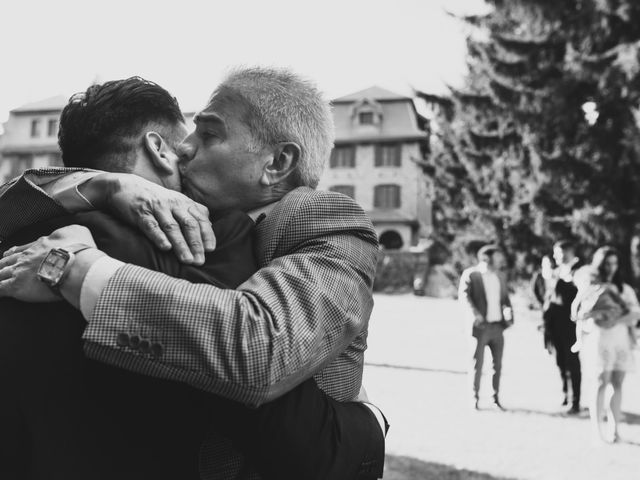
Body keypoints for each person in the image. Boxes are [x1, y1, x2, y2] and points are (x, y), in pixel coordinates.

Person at [0, 67, 387, 479]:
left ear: (277, 163)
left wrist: (76, 268)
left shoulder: (322, 218)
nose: (183, 149)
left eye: (209, 134)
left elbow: (263, 348)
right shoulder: (157, 220)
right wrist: (104, 185)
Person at [572, 246, 640, 443]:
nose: (611, 268)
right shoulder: (593, 288)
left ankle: (614, 428)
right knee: (601, 382)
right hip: (600, 339)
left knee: (617, 383)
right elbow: (581, 314)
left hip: (620, 340)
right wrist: (598, 315)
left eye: (615, 263)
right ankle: (597, 429)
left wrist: (616, 317)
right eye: (607, 264)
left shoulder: (623, 289)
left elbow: (634, 315)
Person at [458, 244, 513, 410]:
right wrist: (475, 314)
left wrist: (509, 312)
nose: (501, 259)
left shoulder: (500, 276)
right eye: (497, 256)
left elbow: (505, 299)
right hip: (480, 328)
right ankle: (475, 398)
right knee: (477, 364)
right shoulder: (472, 274)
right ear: (487, 257)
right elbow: (464, 297)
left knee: (497, 365)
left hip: (498, 327)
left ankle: (495, 398)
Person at [542, 240, 583, 414]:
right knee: (560, 361)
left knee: (572, 362)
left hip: (571, 324)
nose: (556, 257)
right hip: (554, 324)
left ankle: (575, 401)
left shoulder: (580, 272)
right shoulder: (555, 273)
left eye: (559, 253)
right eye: (555, 253)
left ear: (569, 251)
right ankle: (566, 394)